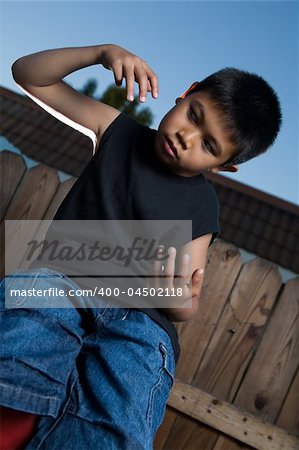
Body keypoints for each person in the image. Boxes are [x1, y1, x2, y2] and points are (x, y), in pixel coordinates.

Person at [0, 44, 282, 449]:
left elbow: (186, 302)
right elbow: (28, 73)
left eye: (208, 146)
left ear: (222, 167)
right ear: (186, 93)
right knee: (30, 318)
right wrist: (102, 53)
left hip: (141, 321)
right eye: (193, 115)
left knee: (122, 405)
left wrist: (177, 297)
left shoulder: (204, 206)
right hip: (66, 283)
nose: (187, 137)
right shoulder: (116, 131)